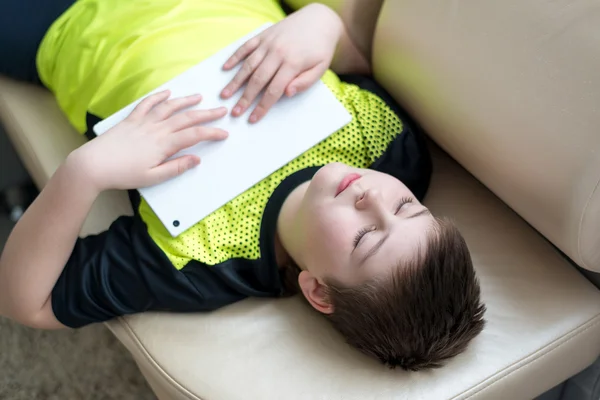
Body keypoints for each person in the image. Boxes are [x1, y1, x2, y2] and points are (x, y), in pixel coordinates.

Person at [0, 0, 486, 371]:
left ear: (318, 291)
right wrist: (322, 23)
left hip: (67, 21)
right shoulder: (396, 150)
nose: (372, 197)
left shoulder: (201, 265)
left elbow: (26, 302)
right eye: (407, 207)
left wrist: (84, 173)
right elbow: (354, 62)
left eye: (366, 237)